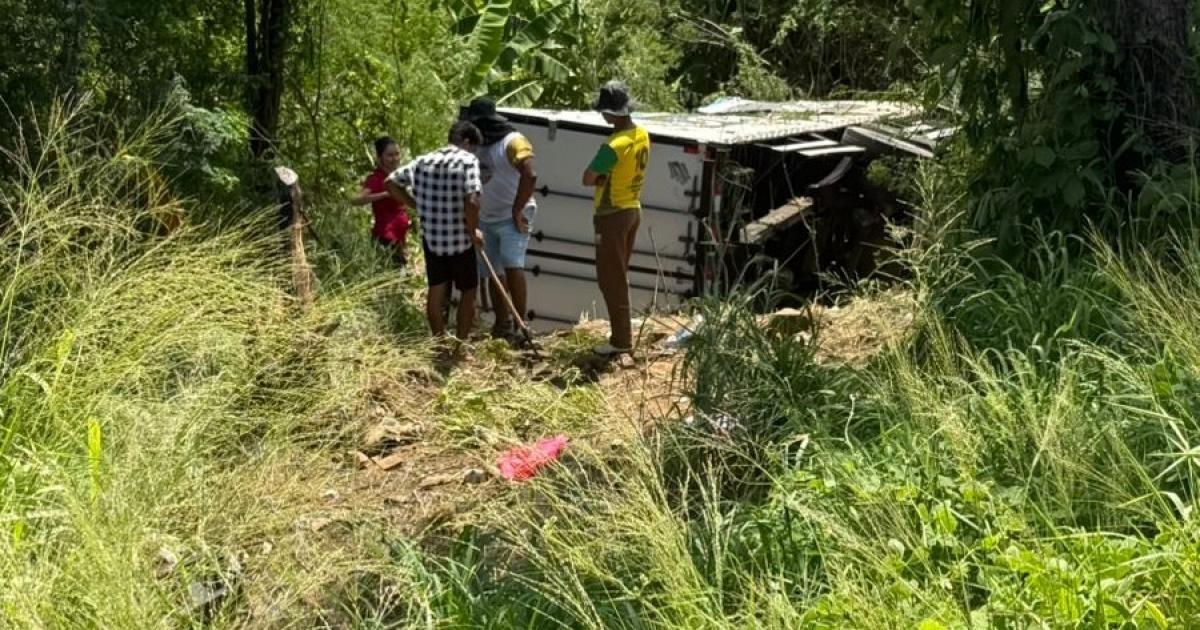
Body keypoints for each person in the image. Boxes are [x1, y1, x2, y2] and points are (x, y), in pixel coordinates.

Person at [386, 121, 485, 340]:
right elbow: (472, 200)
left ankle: (439, 343)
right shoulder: (468, 161)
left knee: (436, 290)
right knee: (469, 292)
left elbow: (391, 183)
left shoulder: (423, 161)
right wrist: (473, 230)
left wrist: (417, 205)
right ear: (467, 142)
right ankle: (460, 346)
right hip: (460, 240)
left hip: (433, 240)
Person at [581, 81, 651, 356]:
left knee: (610, 279)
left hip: (612, 214)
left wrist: (602, 178)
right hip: (633, 208)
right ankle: (621, 335)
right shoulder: (641, 134)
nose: (602, 116)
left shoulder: (613, 145)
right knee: (619, 275)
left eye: (604, 112)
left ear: (612, 113)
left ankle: (620, 342)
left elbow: (587, 178)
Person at [460, 97, 538, 340]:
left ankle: (520, 324)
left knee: (513, 265)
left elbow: (531, 175)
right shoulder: (477, 147)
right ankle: (502, 324)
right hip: (487, 216)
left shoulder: (513, 141)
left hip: (513, 215)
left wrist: (517, 209)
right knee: (495, 271)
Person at [352, 136, 410, 267]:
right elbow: (356, 200)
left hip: (399, 237)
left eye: (397, 154)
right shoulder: (376, 178)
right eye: (390, 155)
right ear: (379, 158)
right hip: (386, 236)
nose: (395, 158)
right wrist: (385, 194)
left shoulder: (398, 175)